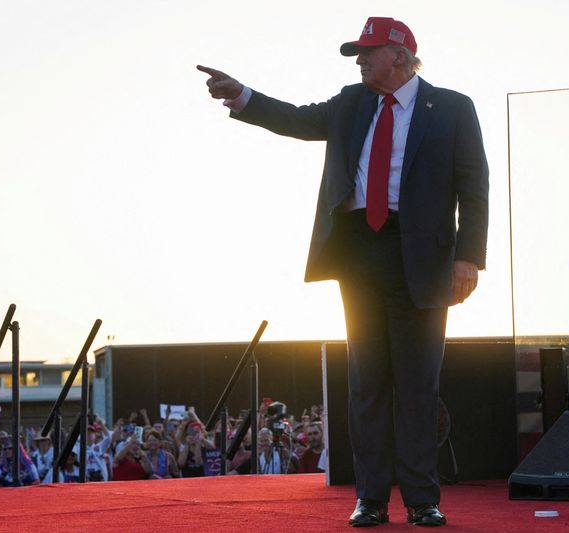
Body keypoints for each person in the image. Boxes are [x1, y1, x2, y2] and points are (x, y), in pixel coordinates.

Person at [198, 16, 488, 527]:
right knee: (367, 381)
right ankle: (371, 498)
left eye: (367, 52)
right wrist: (240, 94)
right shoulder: (351, 103)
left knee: (418, 383)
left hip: (421, 256)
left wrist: (469, 258)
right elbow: (296, 119)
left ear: (399, 55)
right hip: (359, 251)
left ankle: (422, 500)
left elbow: (474, 186)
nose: (358, 61)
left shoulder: (453, 108)